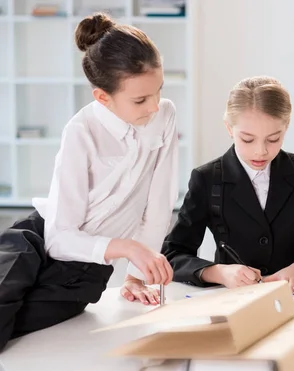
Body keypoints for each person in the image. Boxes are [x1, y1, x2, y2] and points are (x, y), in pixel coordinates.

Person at [0, 12, 178, 351]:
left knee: (18, 325)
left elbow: (159, 204)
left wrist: (137, 273)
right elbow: (58, 237)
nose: (154, 106)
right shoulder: (80, 131)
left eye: (158, 91)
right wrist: (127, 247)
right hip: (38, 238)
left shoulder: (164, 115)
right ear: (102, 97)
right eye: (140, 99)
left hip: (83, 272)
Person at [158, 76, 294, 290]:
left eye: (273, 139)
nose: (261, 150)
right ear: (229, 128)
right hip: (233, 302)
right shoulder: (207, 179)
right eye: (248, 139)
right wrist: (218, 272)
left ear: (286, 127)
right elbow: (173, 254)